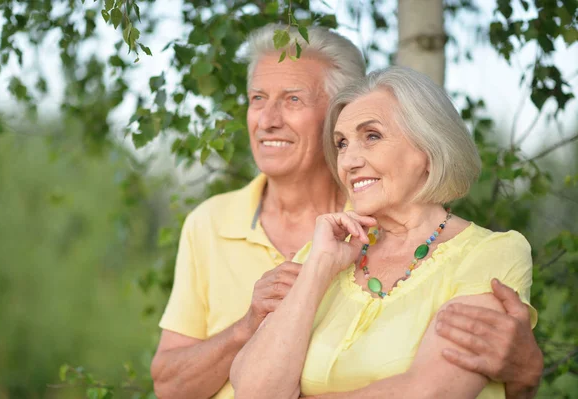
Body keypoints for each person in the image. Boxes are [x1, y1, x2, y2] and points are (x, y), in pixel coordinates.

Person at [151, 25, 543, 399]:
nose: (350, 160)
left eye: (371, 136)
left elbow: (430, 392)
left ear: (427, 149)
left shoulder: (490, 253)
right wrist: (319, 266)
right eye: (341, 144)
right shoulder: (326, 248)